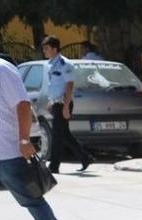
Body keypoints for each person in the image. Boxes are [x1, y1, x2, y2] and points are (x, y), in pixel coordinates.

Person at [0, 56, 69, 220]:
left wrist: (23, 140)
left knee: (30, 199)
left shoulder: (3, 70)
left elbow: (22, 105)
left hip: (8, 150)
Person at [41, 35, 94, 173]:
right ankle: (85, 157)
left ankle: (54, 166)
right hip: (56, 103)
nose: (44, 51)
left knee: (58, 135)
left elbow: (69, 85)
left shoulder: (66, 64)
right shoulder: (51, 64)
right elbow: (52, 85)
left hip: (64, 102)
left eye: (46, 48)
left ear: (55, 49)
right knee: (63, 134)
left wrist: (66, 106)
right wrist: (50, 102)